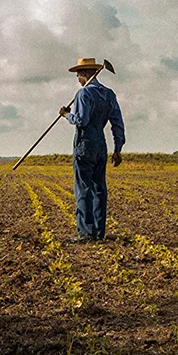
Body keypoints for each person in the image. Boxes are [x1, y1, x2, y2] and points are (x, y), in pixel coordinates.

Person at [59, 58, 125, 242]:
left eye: (79, 74)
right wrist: (118, 148)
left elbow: (81, 121)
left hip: (84, 145)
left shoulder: (83, 93)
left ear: (86, 74)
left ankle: (85, 233)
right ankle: (98, 232)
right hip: (101, 146)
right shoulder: (109, 94)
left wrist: (66, 115)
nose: (78, 78)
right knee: (99, 189)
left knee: (83, 189)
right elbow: (117, 122)